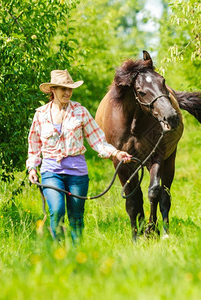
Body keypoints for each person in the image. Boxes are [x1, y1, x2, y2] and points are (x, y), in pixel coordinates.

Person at [27, 69, 132, 242]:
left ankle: (76, 256)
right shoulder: (41, 115)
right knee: (57, 211)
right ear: (53, 89)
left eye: (70, 89)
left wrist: (116, 153)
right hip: (51, 171)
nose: (67, 93)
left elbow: (98, 140)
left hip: (77, 173)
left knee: (76, 217)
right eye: (63, 89)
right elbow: (34, 145)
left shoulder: (80, 111)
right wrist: (32, 167)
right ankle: (60, 253)